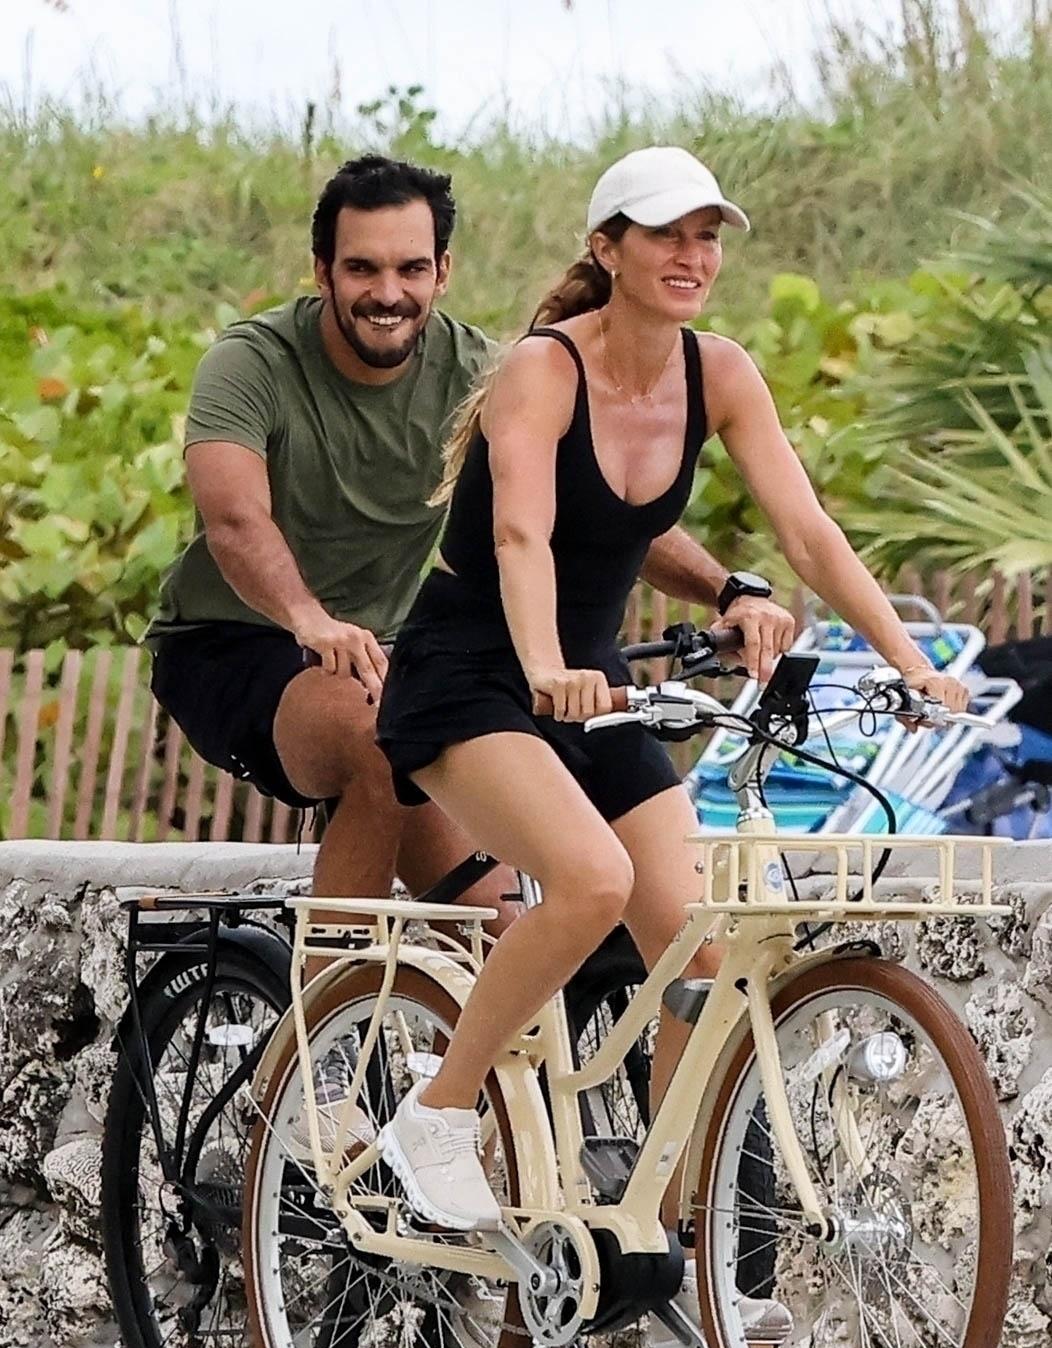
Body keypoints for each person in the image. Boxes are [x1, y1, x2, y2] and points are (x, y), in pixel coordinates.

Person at [373, 144, 970, 1254]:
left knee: (692, 956)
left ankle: (661, 1237)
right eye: (664, 235)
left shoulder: (719, 372)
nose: (691, 255)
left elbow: (806, 534)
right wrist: (546, 660)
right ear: (607, 250)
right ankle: (437, 1115)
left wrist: (907, 659)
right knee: (590, 880)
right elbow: (520, 531)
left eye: (706, 236)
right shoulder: (542, 371)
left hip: (585, 691)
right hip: (471, 681)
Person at [147, 151, 790, 931]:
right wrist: (311, 622)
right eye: (362, 269)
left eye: (411, 269)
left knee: (497, 933)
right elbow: (236, 522)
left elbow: (588, 515)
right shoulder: (251, 363)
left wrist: (728, 589)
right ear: (322, 272)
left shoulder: (482, 368)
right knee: (372, 739)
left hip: (390, 657)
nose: (389, 294)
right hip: (241, 642)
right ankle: (320, 1030)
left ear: (443, 271)